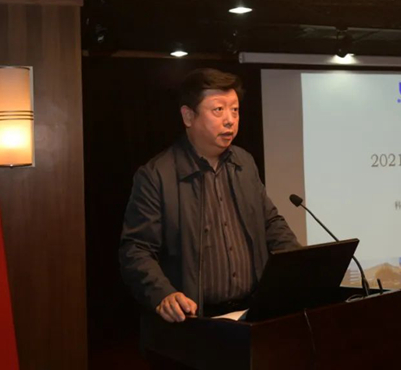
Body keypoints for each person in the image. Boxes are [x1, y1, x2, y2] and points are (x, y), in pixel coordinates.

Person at [119, 68, 300, 323]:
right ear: (188, 116)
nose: (230, 120)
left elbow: (270, 223)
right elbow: (136, 250)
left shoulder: (244, 163)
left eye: (235, 110)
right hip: (194, 321)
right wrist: (163, 294)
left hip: (251, 314)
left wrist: (300, 266)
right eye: (218, 110)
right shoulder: (157, 175)